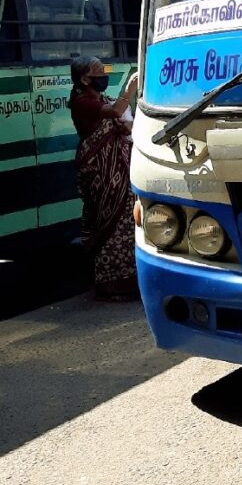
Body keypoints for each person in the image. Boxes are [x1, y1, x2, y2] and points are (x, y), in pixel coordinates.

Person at [68, 58, 139, 302]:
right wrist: (129, 89)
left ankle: (130, 280)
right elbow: (116, 112)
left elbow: (123, 123)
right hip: (99, 172)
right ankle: (110, 284)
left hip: (119, 170)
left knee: (127, 223)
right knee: (106, 222)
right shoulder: (82, 102)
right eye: (97, 72)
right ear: (85, 79)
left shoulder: (101, 100)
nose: (103, 75)